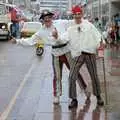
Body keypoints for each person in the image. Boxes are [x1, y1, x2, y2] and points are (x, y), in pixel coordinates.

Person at [10, 10, 90, 104]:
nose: (47, 20)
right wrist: (18, 41)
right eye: (45, 18)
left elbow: (74, 22)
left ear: (51, 18)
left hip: (67, 51)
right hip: (55, 53)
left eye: (49, 17)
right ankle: (57, 95)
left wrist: (83, 23)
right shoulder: (41, 32)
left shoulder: (60, 23)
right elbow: (31, 41)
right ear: (43, 20)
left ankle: (85, 89)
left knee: (74, 72)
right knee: (57, 76)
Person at [54, 5, 104, 108]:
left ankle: (98, 96)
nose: (77, 16)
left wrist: (101, 44)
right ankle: (74, 99)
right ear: (73, 15)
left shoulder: (89, 25)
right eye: (75, 14)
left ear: (82, 14)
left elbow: (98, 36)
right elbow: (63, 39)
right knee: (72, 76)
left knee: (94, 75)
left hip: (89, 54)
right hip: (77, 55)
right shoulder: (70, 28)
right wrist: (57, 37)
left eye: (79, 14)